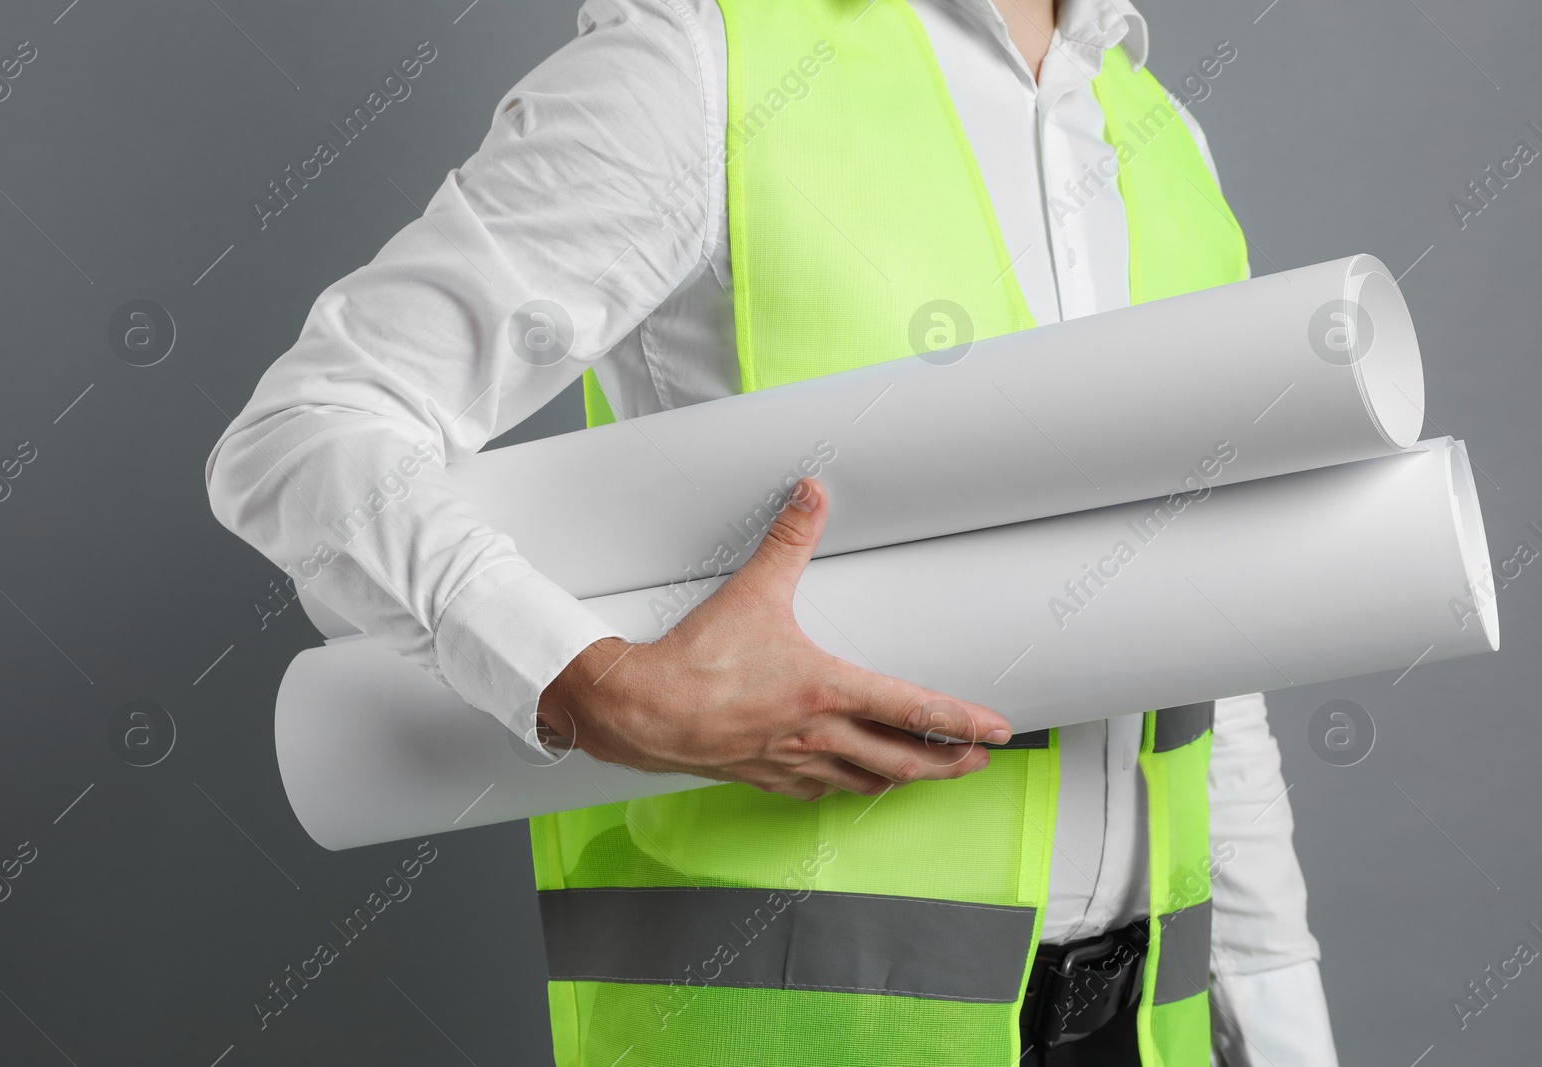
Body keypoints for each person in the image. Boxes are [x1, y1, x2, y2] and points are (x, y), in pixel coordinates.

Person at [206, 0, 1340, 1063]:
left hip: (1149, 1027)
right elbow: (303, 434)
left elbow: (1209, 645)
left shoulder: (1159, 136)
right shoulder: (702, 63)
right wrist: (585, 677)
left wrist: (1285, 1020)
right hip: (788, 1026)